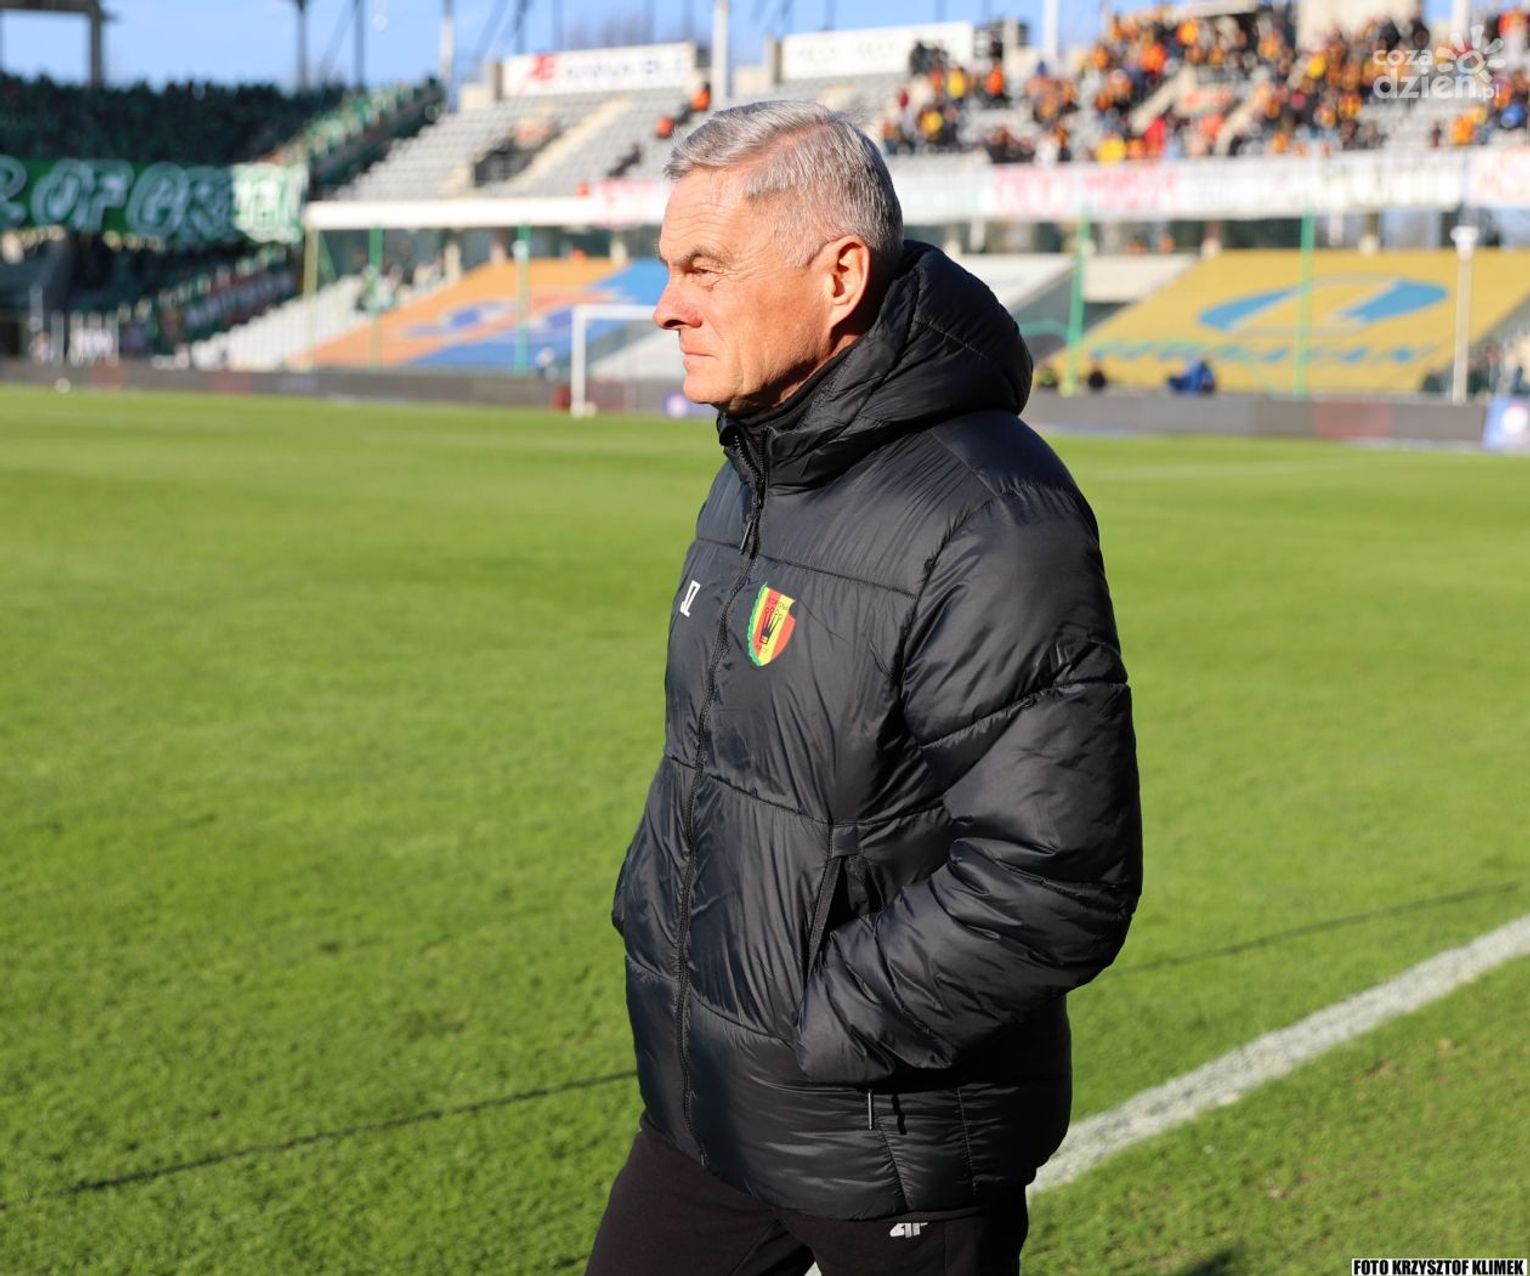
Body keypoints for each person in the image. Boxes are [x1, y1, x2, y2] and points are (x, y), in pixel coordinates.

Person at [589, 100, 1142, 1276]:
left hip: (890, 1146)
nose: (666, 305)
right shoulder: (758, 467)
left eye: (703, 268)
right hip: (711, 1108)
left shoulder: (990, 514)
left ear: (839, 275)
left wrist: (817, 1023)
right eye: (669, 268)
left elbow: (1055, 874)